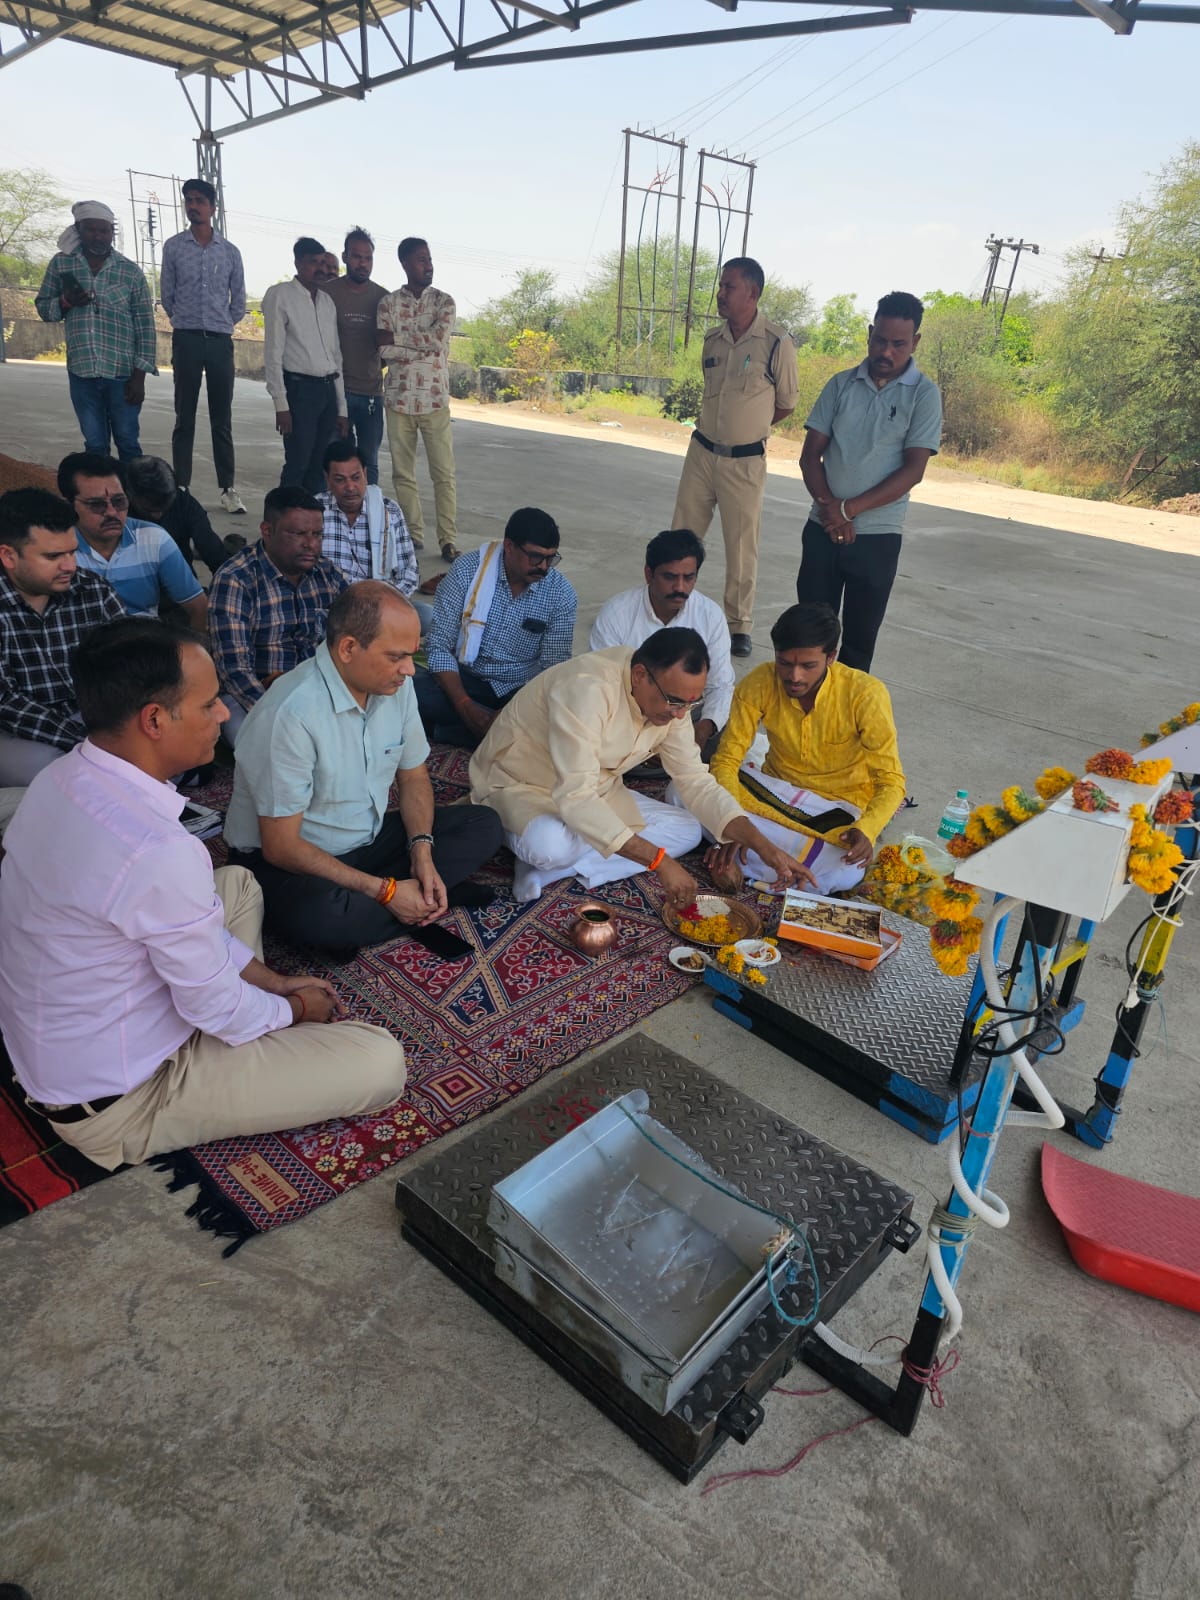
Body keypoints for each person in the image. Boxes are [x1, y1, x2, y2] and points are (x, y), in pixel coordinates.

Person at [0, 616, 406, 1173]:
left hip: (64, 1043)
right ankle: (245, 1050)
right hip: (121, 1098)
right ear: (154, 720)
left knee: (237, 883)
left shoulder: (58, 779)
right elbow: (213, 1007)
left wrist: (272, 981)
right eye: (209, 703)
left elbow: (181, 925)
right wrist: (293, 1008)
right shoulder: (155, 850)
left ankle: (250, 1025)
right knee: (380, 1062)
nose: (223, 715)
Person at [224, 582, 504, 954]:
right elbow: (281, 847)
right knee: (325, 920)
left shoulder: (396, 686)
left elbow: (413, 775)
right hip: (289, 861)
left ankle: (403, 897)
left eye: (412, 656)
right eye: (396, 657)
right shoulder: (291, 714)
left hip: (363, 842)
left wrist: (421, 850)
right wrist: (384, 891)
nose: (409, 670)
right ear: (348, 648)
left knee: (484, 824)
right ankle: (417, 898)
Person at [469, 628, 817, 905]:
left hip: (597, 788)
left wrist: (765, 847)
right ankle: (544, 856)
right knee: (549, 845)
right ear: (639, 675)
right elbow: (575, 795)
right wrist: (659, 862)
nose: (680, 715)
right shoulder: (587, 689)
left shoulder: (673, 702)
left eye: (691, 703)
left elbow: (695, 781)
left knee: (686, 830)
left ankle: (550, 871)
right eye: (674, 702)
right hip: (522, 784)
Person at [706, 602, 906, 896]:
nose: (794, 676)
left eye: (808, 666)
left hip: (835, 811)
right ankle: (771, 860)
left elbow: (891, 781)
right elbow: (726, 760)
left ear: (831, 657)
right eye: (785, 663)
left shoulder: (865, 694)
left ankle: (746, 856)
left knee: (846, 870)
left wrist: (867, 829)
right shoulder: (759, 682)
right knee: (683, 790)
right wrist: (735, 822)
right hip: (771, 794)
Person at [798, 291, 943, 672]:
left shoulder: (924, 395)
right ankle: (804, 710)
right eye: (879, 340)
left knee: (858, 646)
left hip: (878, 538)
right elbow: (810, 456)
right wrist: (831, 512)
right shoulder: (840, 385)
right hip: (821, 531)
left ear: (915, 342)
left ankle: (846, 712)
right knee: (809, 639)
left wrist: (848, 510)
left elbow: (913, 470)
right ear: (869, 333)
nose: (886, 352)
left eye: (898, 344)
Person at [670, 256, 798, 658]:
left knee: (741, 545)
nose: (720, 294)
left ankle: (737, 624)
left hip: (744, 462)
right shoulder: (713, 340)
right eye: (721, 286)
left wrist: (749, 428)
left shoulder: (776, 343)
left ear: (752, 293)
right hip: (702, 453)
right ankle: (670, 608)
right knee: (681, 536)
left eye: (729, 287)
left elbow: (786, 403)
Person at [416, 507, 576, 748]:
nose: (544, 567)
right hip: (465, 680)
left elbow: (553, 669)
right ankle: (495, 737)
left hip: (520, 691)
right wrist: (464, 705)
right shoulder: (467, 571)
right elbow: (438, 646)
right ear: (509, 546)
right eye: (536, 557)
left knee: (564, 714)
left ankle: (448, 731)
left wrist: (511, 710)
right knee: (408, 693)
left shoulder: (561, 594)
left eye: (551, 558)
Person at [0, 487, 125, 784]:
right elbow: (5, 701)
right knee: (58, 772)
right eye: (53, 556)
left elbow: (130, 659)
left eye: (72, 552)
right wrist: (85, 742)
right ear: (8, 556)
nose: (70, 565)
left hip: (93, 716)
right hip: (17, 731)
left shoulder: (93, 590)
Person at [209, 486, 346, 747]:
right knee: (259, 745)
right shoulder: (236, 579)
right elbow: (234, 669)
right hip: (255, 695)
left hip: (317, 689)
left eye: (317, 534)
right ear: (267, 531)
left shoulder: (327, 573)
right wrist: (281, 715)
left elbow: (356, 634)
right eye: (298, 534)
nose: (311, 544)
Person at [589, 527, 734, 755]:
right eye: (670, 577)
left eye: (689, 578)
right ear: (649, 574)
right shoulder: (617, 614)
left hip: (684, 716)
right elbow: (603, 684)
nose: (680, 587)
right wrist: (645, 738)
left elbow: (720, 685)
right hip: (628, 718)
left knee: (728, 723)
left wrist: (702, 732)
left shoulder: (711, 615)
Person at [33, 200, 157, 461]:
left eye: (105, 231)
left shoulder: (130, 272)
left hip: (122, 373)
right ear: (79, 229)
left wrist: (139, 377)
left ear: (112, 232)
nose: (99, 236)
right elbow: (44, 309)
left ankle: (132, 489)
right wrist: (66, 302)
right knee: (95, 446)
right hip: (82, 372)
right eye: (91, 230)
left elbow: (145, 327)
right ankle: (101, 487)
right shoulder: (61, 264)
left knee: (128, 442)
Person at [159, 177, 248, 514]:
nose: (193, 206)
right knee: (184, 416)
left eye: (200, 201)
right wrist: (184, 321)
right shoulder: (174, 247)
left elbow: (239, 301)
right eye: (189, 200)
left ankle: (228, 488)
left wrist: (222, 323)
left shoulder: (230, 252)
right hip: (187, 339)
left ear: (213, 207)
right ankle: (181, 486)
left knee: (221, 418)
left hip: (220, 342)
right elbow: (168, 295)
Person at [58, 452, 207, 631]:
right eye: (97, 504)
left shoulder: (154, 539)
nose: (112, 512)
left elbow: (199, 608)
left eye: (119, 501)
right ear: (68, 504)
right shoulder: (56, 549)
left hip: (146, 645)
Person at [377, 236, 459, 560]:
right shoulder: (388, 303)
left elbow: (438, 341)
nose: (428, 265)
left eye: (429, 259)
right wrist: (418, 348)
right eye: (421, 259)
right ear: (405, 264)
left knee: (443, 474)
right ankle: (413, 534)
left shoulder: (444, 302)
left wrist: (399, 338)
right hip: (398, 401)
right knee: (403, 473)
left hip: (434, 401)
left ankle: (448, 539)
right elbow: (383, 350)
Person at [262, 236, 348, 495]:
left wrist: (342, 408)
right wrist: (281, 405)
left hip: (327, 390)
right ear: (298, 263)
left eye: (323, 263)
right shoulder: (280, 295)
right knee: (297, 462)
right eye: (313, 262)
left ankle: (310, 518)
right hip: (300, 391)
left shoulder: (327, 302)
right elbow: (273, 352)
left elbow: (336, 356)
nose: (320, 269)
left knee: (319, 466)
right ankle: (281, 516)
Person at [318, 439, 429, 629]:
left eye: (356, 477)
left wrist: (381, 605)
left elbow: (408, 571)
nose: (350, 487)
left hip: (380, 606)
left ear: (365, 474)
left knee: (428, 616)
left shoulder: (388, 510)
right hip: (332, 609)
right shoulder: (315, 511)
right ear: (327, 479)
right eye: (340, 480)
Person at [323, 228, 389, 486]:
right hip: (336, 392)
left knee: (369, 462)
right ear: (345, 257)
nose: (363, 263)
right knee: (334, 460)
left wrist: (373, 367)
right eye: (357, 257)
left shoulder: (383, 298)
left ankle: (370, 509)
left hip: (371, 394)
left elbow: (387, 346)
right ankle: (330, 509)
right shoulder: (328, 293)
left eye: (368, 258)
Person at [125, 455, 233, 580]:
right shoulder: (115, 509)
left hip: (178, 579)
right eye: (149, 510)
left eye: (164, 508)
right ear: (129, 495)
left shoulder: (186, 504)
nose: (157, 515)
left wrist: (230, 582)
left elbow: (212, 551)